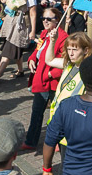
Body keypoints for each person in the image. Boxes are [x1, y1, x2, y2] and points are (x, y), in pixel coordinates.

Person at [41, 31, 92, 175]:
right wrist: (52, 40)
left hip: (73, 128)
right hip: (60, 126)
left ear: (85, 50)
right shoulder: (69, 64)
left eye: (75, 49)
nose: (70, 53)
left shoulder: (88, 70)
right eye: (69, 49)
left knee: (66, 168)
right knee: (66, 166)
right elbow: (48, 60)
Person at [22, 8, 67, 151]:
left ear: (57, 19)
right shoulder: (44, 33)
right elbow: (37, 50)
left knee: (56, 114)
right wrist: (30, 60)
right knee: (36, 112)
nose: (45, 21)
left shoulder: (63, 37)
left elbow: (65, 62)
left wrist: (50, 75)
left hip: (52, 81)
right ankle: (31, 141)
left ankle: (57, 142)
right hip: (40, 80)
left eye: (49, 18)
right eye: (43, 18)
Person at [0, 0, 37, 81]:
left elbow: (33, 14)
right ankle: (21, 70)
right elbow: (3, 0)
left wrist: (33, 31)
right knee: (16, 48)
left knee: (9, 49)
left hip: (20, 25)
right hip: (10, 21)